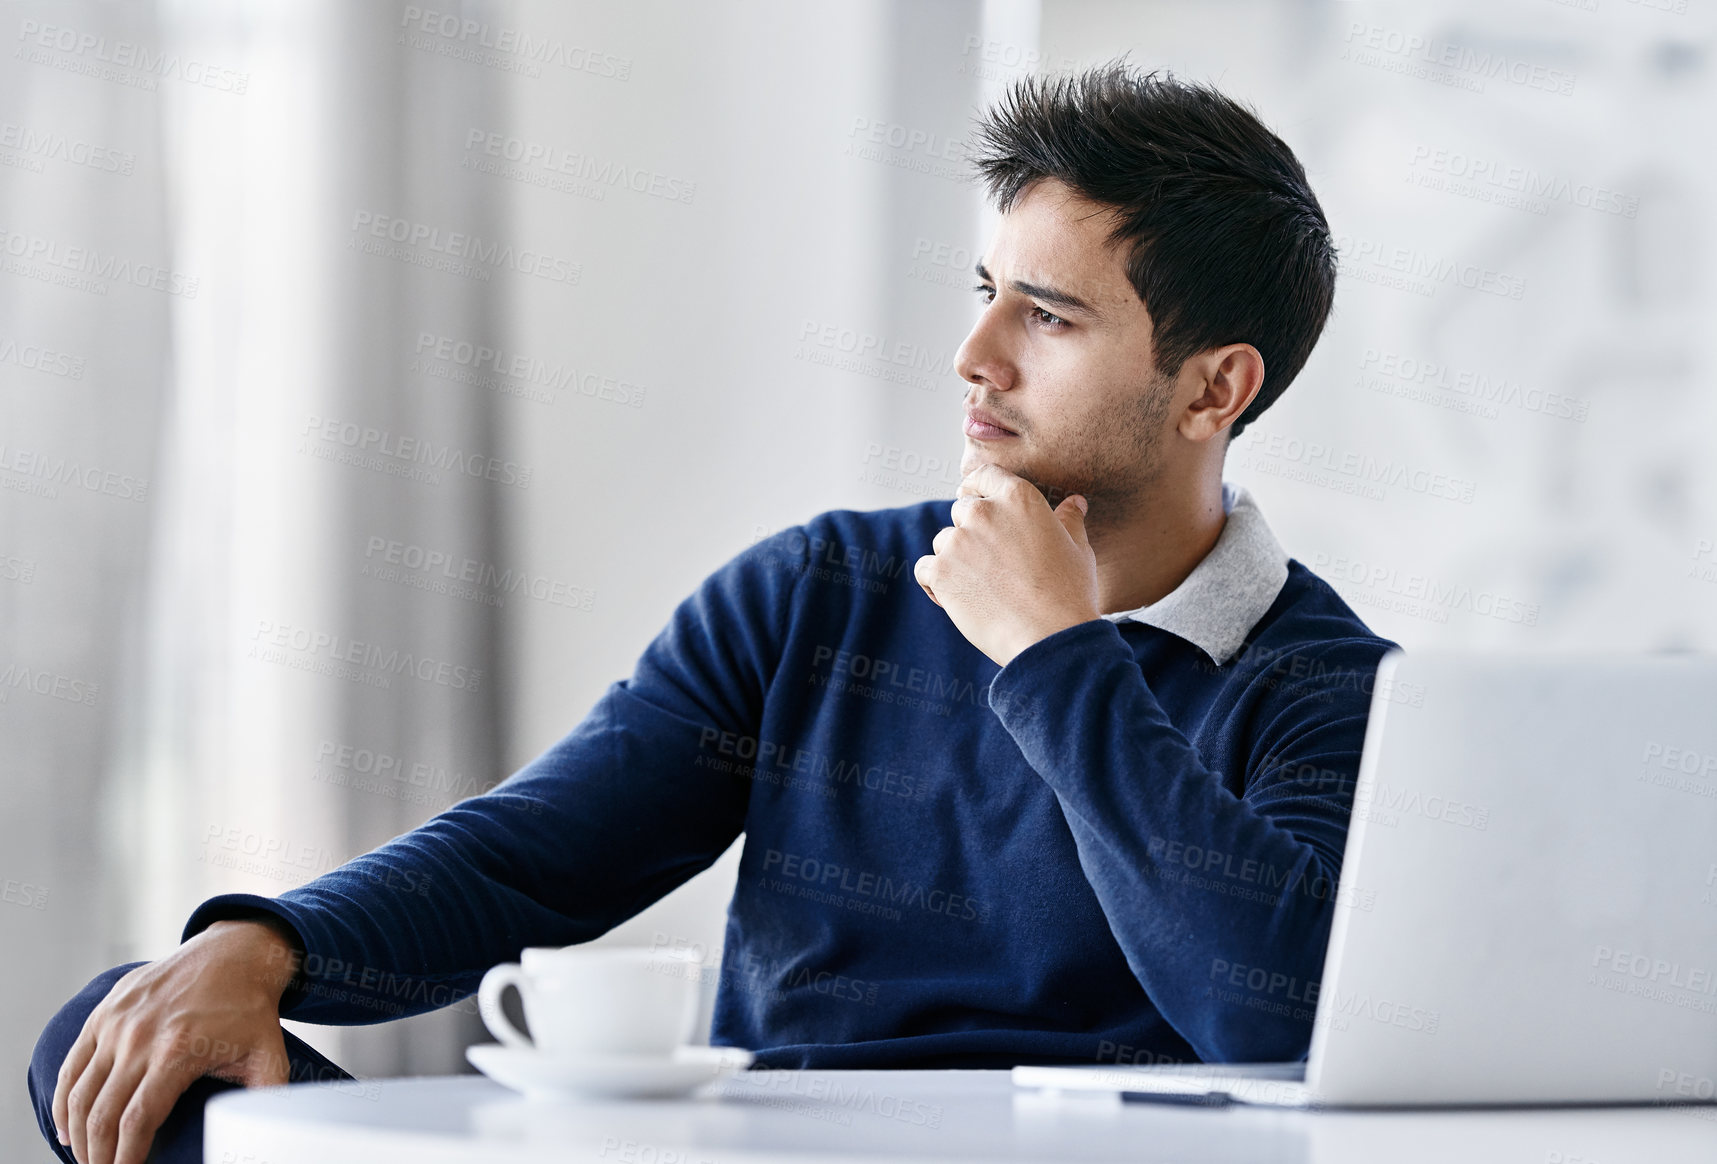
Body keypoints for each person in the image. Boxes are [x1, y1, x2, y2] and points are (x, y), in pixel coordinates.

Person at [31, 59, 1397, 1164]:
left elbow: (1268, 1015)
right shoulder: (821, 591)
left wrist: (1051, 657)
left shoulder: (1331, 690)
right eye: (986, 296)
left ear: (1211, 390)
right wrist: (261, 945)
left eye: (1045, 318)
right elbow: (532, 858)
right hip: (758, 1150)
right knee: (117, 1031)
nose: (971, 358)